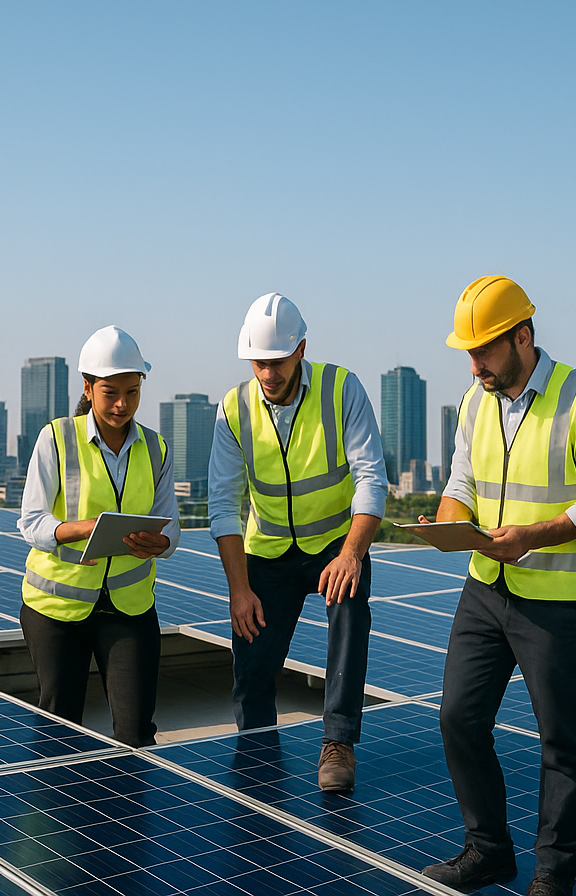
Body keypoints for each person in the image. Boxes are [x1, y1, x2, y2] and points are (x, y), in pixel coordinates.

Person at [420, 276, 576, 896]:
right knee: (458, 717)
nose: (474, 363)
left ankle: (552, 875)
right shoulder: (472, 401)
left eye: (484, 349)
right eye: (468, 352)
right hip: (486, 589)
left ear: (523, 337)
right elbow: (461, 484)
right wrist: (448, 523)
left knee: (560, 741)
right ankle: (488, 851)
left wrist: (533, 535)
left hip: (557, 604)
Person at [208, 292, 388, 792]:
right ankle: (256, 750)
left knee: (349, 611)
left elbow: (371, 479)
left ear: (301, 349)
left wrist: (352, 553)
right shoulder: (234, 408)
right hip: (266, 552)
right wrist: (238, 589)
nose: (267, 374)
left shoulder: (340, 389)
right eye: (258, 363)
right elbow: (222, 505)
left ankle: (339, 742)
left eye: (277, 361)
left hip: (334, 543)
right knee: (252, 666)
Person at [17, 325, 180, 747]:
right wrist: (81, 530)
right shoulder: (55, 439)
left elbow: (171, 523)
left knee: (136, 732)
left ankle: (128, 813)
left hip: (129, 607)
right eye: (111, 392)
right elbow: (31, 522)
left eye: (132, 391)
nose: (122, 404)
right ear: (88, 388)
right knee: (60, 725)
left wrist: (161, 544)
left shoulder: (157, 449)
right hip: (56, 608)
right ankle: (54, 813)